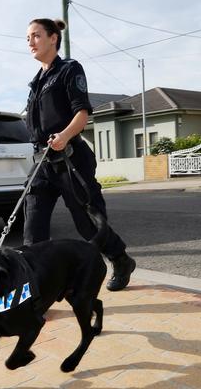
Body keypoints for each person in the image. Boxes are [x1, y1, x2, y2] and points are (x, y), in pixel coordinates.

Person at [23, 18, 135, 292]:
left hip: (71, 159)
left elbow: (81, 114)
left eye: (36, 36)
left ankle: (120, 260)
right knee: (33, 229)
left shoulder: (69, 70)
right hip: (43, 164)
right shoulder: (35, 83)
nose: (30, 42)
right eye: (28, 38)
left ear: (53, 38)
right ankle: (35, 290)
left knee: (87, 223)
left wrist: (64, 136)